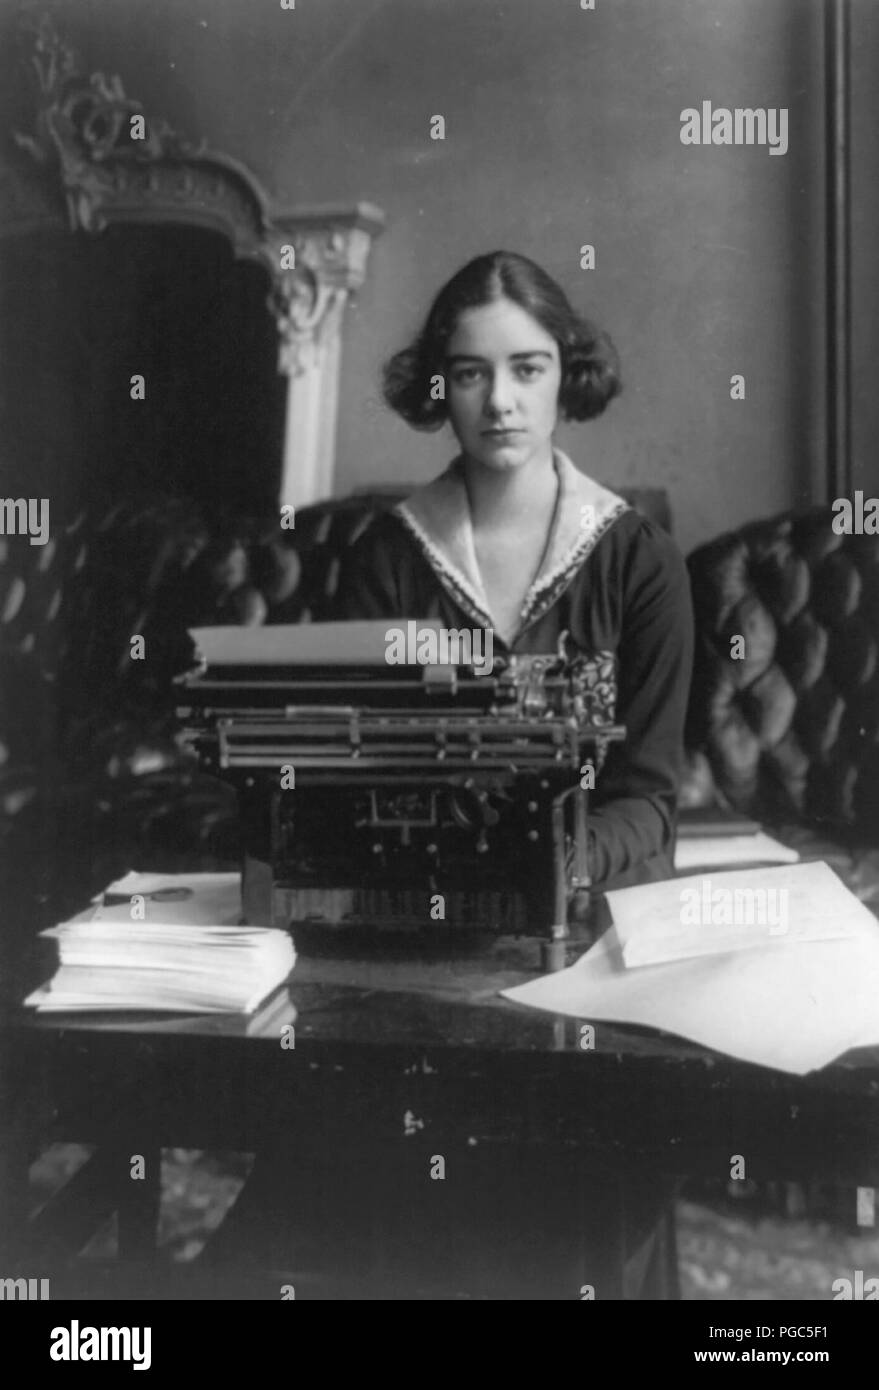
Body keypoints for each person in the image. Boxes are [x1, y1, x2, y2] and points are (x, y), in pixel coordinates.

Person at [337, 249, 694, 894]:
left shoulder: (642, 561)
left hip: (599, 899)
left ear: (565, 375)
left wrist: (551, 864)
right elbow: (362, 773)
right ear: (441, 389)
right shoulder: (387, 560)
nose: (500, 401)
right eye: (471, 374)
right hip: (432, 895)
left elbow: (647, 800)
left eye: (527, 369)